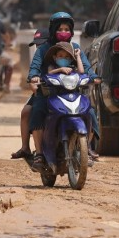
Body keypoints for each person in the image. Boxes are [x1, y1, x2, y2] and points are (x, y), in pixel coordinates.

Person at [25, 11, 98, 170]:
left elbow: (86, 68)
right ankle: (39, 154)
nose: (63, 32)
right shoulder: (43, 49)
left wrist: (94, 77)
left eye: (67, 29)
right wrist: (34, 77)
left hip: (72, 91)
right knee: (38, 110)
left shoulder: (75, 48)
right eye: (60, 29)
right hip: (48, 92)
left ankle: (87, 148)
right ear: (53, 30)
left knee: (90, 112)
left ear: (71, 31)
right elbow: (35, 67)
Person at [11, 29, 47, 160]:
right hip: (43, 91)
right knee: (26, 112)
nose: (38, 46)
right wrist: (32, 81)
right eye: (37, 44)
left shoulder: (61, 53)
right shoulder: (38, 56)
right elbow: (33, 72)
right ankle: (25, 148)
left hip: (62, 91)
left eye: (41, 43)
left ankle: (87, 149)